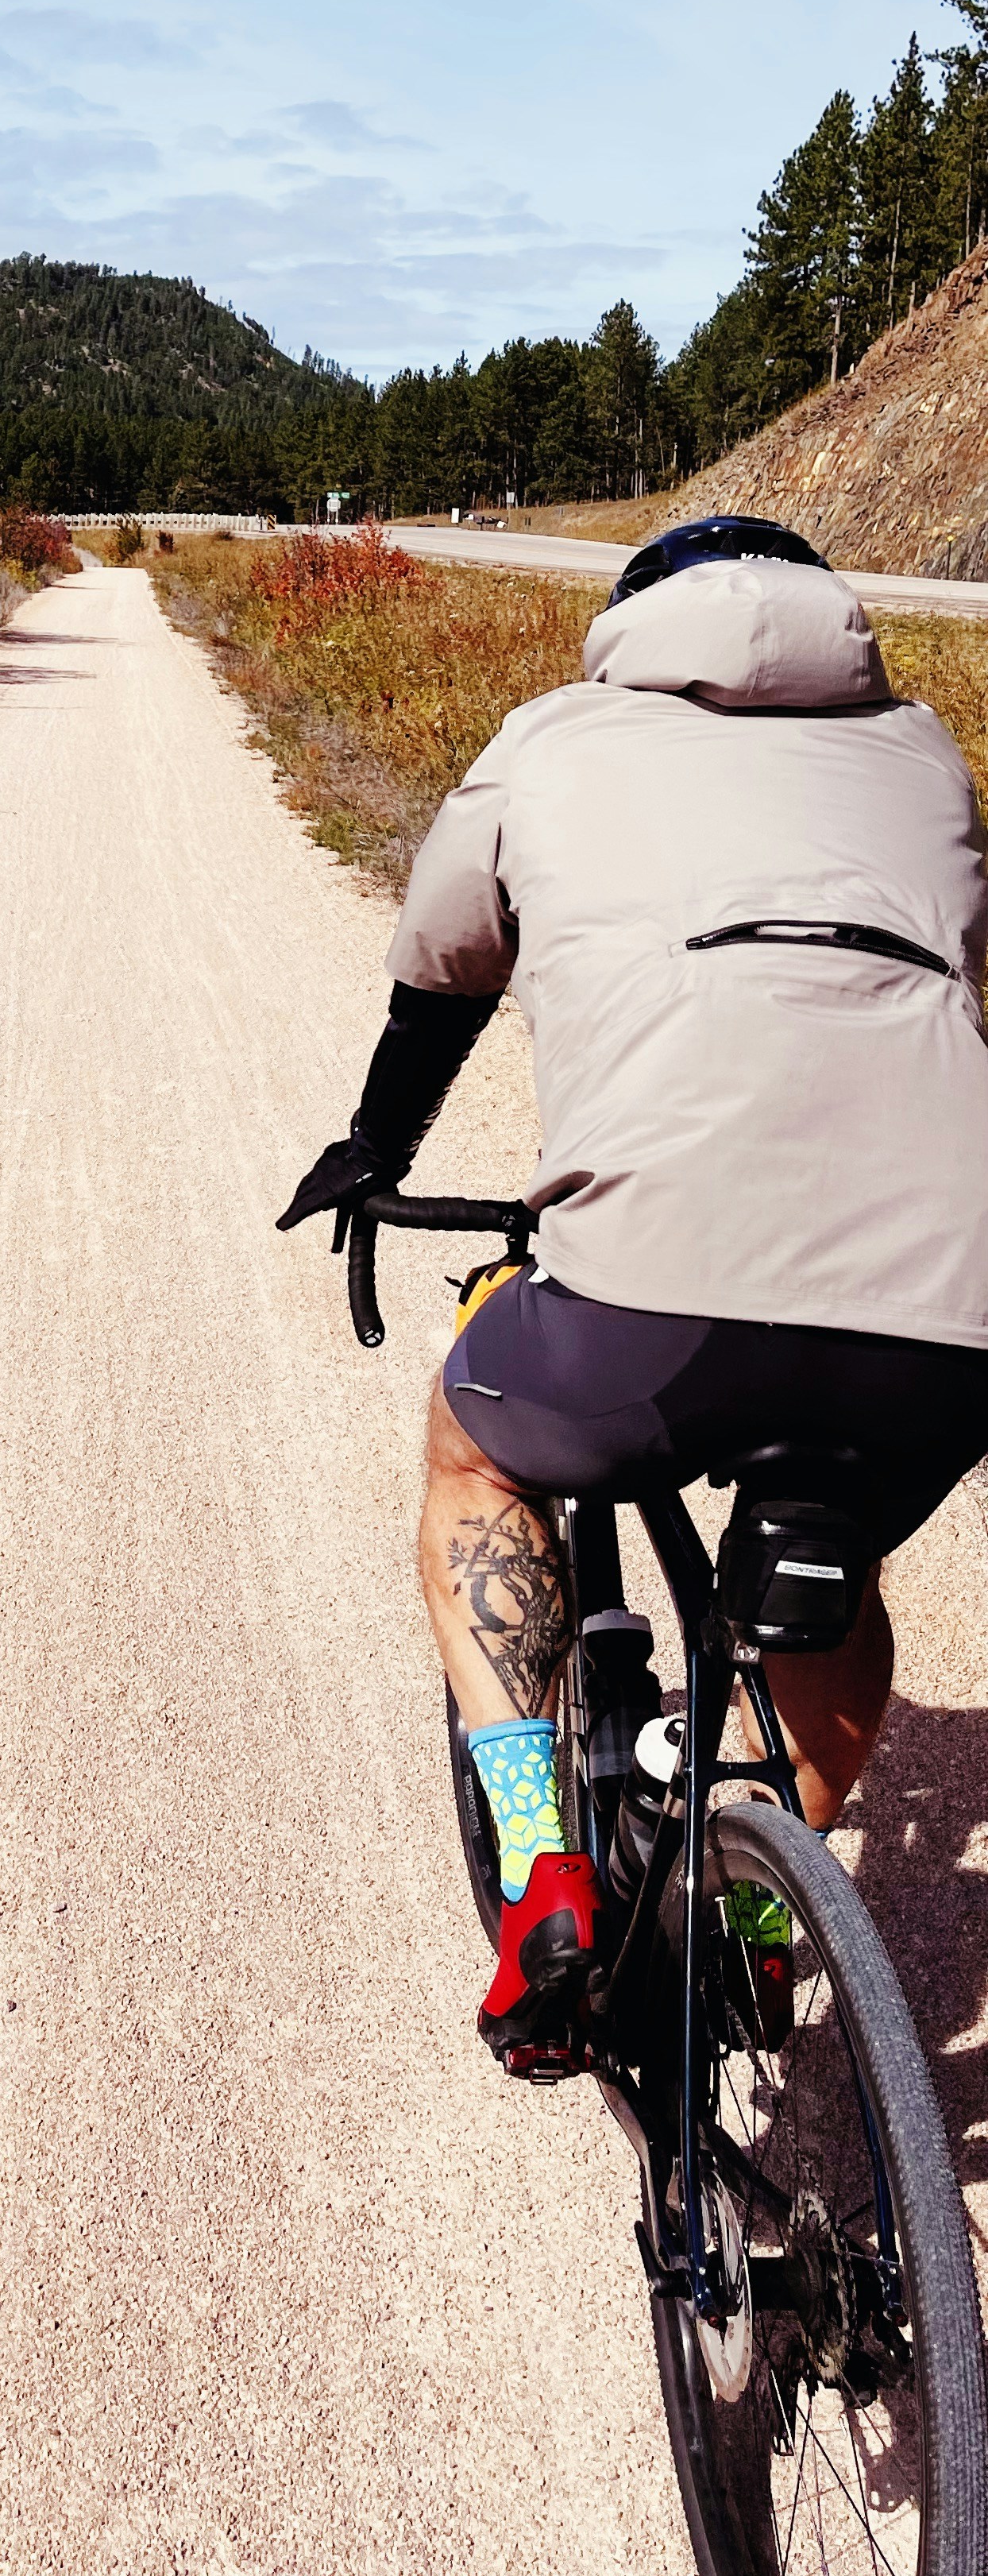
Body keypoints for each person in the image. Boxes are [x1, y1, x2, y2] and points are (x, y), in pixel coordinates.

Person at [279, 515, 988, 2074]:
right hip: (950, 1310)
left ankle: (547, 1865)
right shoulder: (926, 750)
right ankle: (753, 1897)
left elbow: (444, 961)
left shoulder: (553, 740)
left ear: (633, 623)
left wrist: (372, 1150)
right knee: (833, 1562)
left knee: (478, 1449)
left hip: (657, 1296)